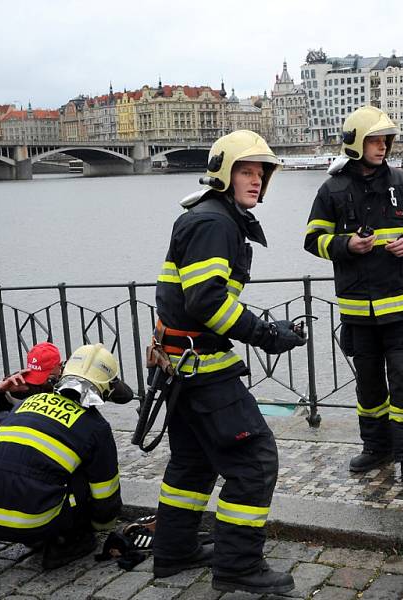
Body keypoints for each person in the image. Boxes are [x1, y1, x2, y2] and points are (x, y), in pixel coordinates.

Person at [151, 130, 305, 595]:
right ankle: (238, 565)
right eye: (246, 171)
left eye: (261, 173)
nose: (256, 180)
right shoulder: (215, 223)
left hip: (179, 365)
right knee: (255, 462)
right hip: (201, 370)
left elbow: (200, 303)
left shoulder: (212, 217)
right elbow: (205, 303)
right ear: (224, 173)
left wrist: (262, 329)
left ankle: (174, 551)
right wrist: (264, 333)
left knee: (193, 465)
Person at [303, 106, 403, 491]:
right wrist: (348, 244)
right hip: (358, 312)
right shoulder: (331, 190)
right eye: (375, 140)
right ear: (356, 144)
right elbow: (313, 240)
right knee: (368, 387)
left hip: (401, 308)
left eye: (385, 140)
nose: (382, 147)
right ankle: (376, 448)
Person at [0, 343, 129, 579]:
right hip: (38, 523)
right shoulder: (96, 428)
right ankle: (66, 542)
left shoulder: (24, 404)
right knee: (80, 477)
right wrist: (98, 529)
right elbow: (105, 498)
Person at [0, 341, 62, 412]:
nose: (42, 381)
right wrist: (0, 388)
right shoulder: (19, 382)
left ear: (60, 366)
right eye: (37, 375)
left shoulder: (69, 381)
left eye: (47, 375)